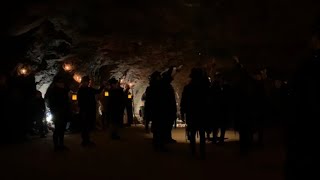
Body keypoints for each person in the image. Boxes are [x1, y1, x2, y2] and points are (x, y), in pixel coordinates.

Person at [180, 68, 210, 159]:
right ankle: (202, 152)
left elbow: (183, 101)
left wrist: (183, 112)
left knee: (192, 133)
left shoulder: (188, 88)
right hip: (201, 113)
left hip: (192, 113)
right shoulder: (204, 88)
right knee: (201, 133)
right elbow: (208, 101)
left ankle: (193, 152)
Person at [45, 75, 71, 151]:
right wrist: (55, 111)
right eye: (60, 82)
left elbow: (66, 101)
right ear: (56, 83)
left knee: (62, 129)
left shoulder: (64, 90)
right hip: (57, 113)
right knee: (57, 129)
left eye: (62, 82)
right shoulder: (53, 91)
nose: (61, 84)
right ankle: (56, 146)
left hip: (63, 112)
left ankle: (61, 144)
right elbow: (51, 103)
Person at [77, 75, 104, 146]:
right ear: (83, 82)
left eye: (88, 82)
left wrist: (102, 86)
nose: (87, 83)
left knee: (88, 126)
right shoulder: (81, 90)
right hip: (85, 111)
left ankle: (87, 140)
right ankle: (85, 141)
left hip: (90, 110)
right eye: (86, 82)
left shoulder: (89, 89)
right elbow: (80, 102)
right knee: (85, 126)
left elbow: (98, 91)